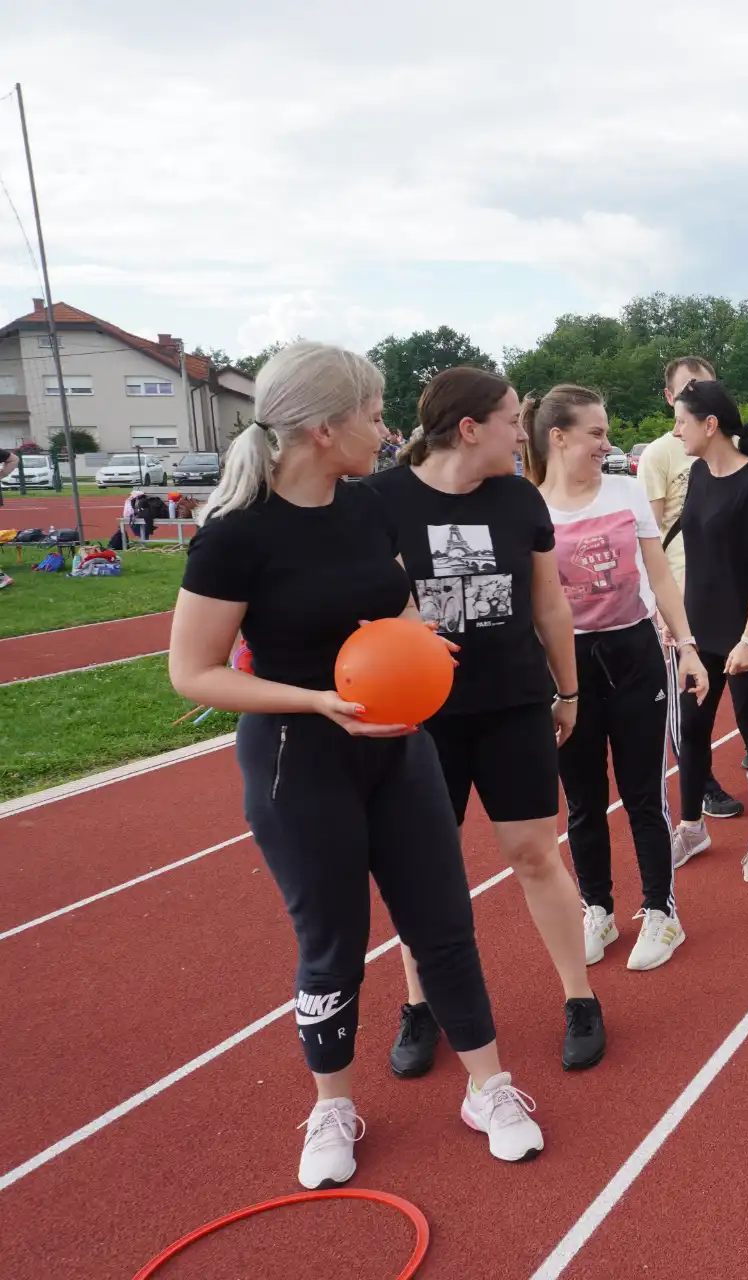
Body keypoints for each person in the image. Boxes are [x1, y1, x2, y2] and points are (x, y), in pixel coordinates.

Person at [168, 342, 541, 1190]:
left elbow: (397, 599)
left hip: (398, 747)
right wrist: (315, 701)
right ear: (325, 427)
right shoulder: (237, 537)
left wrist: (416, 641)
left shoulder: (371, 507)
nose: (388, 429)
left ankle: (490, 1087)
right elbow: (193, 672)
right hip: (299, 761)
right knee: (331, 944)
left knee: (443, 924)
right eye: (375, 415)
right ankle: (331, 1104)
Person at [366, 367, 605, 1078]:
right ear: (469, 429)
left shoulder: (519, 498)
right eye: (511, 418)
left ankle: (580, 997)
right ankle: (420, 1003)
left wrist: (569, 692)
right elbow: (366, 613)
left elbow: (550, 606)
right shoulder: (381, 503)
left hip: (513, 706)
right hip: (421, 717)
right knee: (419, 868)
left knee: (536, 853)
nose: (520, 432)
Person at [527, 383, 707, 973]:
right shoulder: (529, 508)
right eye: (596, 433)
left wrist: (687, 646)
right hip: (565, 664)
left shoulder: (627, 492)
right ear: (558, 437)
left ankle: (661, 911)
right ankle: (596, 908)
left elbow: (659, 573)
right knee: (581, 800)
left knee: (641, 794)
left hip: (633, 653)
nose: (608, 444)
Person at [670, 380, 748, 883]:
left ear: (710, 424)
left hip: (744, 638)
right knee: (692, 734)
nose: (676, 431)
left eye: (682, 422)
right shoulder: (697, 473)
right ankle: (693, 828)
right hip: (698, 637)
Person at [639, 357, 745, 821]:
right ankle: (699, 786)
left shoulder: (731, 446)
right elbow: (652, 529)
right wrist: (661, 603)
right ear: (669, 397)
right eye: (689, 387)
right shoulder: (660, 454)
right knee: (690, 700)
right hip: (681, 591)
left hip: (729, 588)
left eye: (707, 385)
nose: (700, 392)